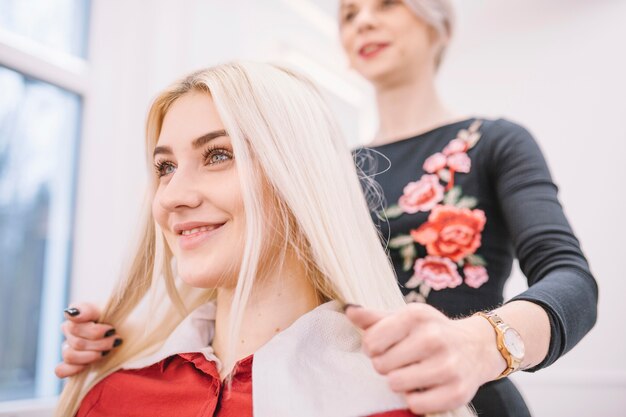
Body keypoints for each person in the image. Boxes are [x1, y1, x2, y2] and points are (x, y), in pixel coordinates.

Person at [57, 1, 599, 416]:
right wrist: (139, 334)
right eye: (348, 13)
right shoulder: (322, 168)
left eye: (385, 4)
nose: (362, 21)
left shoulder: (492, 142)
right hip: (318, 384)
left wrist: (477, 344)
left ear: (439, 25)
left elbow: (570, 278)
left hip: (458, 395)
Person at [54, 62, 474, 417]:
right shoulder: (111, 396)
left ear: (300, 178)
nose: (172, 197)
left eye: (218, 155)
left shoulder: (395, 402)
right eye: (165, 167)